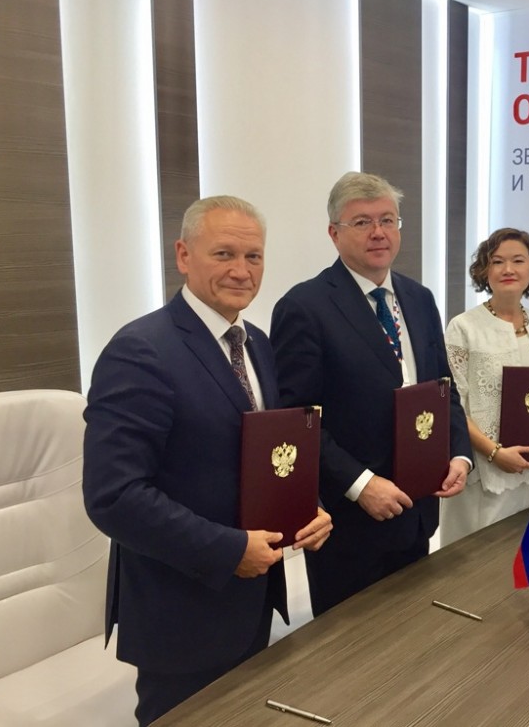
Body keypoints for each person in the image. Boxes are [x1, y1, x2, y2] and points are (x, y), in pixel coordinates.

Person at [82, 195, 333, 726]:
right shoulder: (140, 350)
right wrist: (228, 550)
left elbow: (264, 455)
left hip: (251, 599)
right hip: (181, 612)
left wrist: (305, 506)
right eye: (224, 254)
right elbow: (113, 496)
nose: (242, 270)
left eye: (254, 256)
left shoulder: (256, 343)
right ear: (183, 255)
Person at [270, 171, 472, 616]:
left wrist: (459, 452)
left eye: (387, 220)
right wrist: (360, 485)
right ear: (334, 233)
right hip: (351, 524)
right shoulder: (304, 307)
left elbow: (443, 388)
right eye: (362, 222)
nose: (378, 232)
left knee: (415, 633)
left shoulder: (419, 298)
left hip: (418, 510)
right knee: (352, 648)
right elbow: (297, 420)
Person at [441, 228, 529, 545]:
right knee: (477, 561)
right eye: (498, 261)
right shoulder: (464, 327)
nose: (508, 269)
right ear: (485, 270)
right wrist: (495, 452)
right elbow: (451, 406)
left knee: (522, 556)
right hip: (481, 475)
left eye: (518, 260)